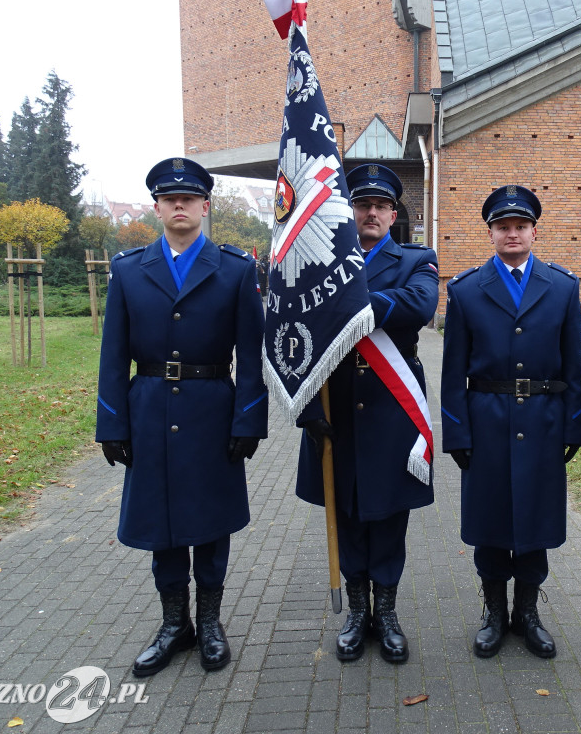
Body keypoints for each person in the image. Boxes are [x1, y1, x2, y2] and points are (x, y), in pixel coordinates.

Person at [96, 157, 268, 677]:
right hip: (147, 410)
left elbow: (251, 353)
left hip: (212, 408)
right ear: (156, 206)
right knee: (161, 524)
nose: (178, 205)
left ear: (204, 206)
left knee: (211, 524)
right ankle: (175, 625)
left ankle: (210, 624)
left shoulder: (236, 270)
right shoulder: (128, 270)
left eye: (188, 198)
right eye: (169, 198)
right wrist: (112, 424)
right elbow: (112, 354)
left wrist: (248, 420)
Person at [296, 163, 438, 663]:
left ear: (393, 214)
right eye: (362, 205)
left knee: (388, 516)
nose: (370, 213)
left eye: (380, 206)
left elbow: (419, 306)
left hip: (390, 412)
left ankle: (389, 613)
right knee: (348, 512)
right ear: (348, 212)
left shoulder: (415, 259)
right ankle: (358, 613)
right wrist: (306, 407)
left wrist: (354, 300)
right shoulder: (319, 263)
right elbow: (302, 339)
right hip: (336, 410)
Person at [441, 185, 581, 659]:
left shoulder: (563, 287)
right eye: (503, 226)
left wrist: (574, 426)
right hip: (486, 421)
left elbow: (574, 365)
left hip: (543, 421)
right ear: (491, 233)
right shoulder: (465, 290)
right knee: (490, 520)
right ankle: (493, 613)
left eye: (520, 226)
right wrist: (457, 431)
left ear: (534, 231)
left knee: (534, 519)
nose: (512, 233)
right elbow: (452, 372)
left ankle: (528, 612)